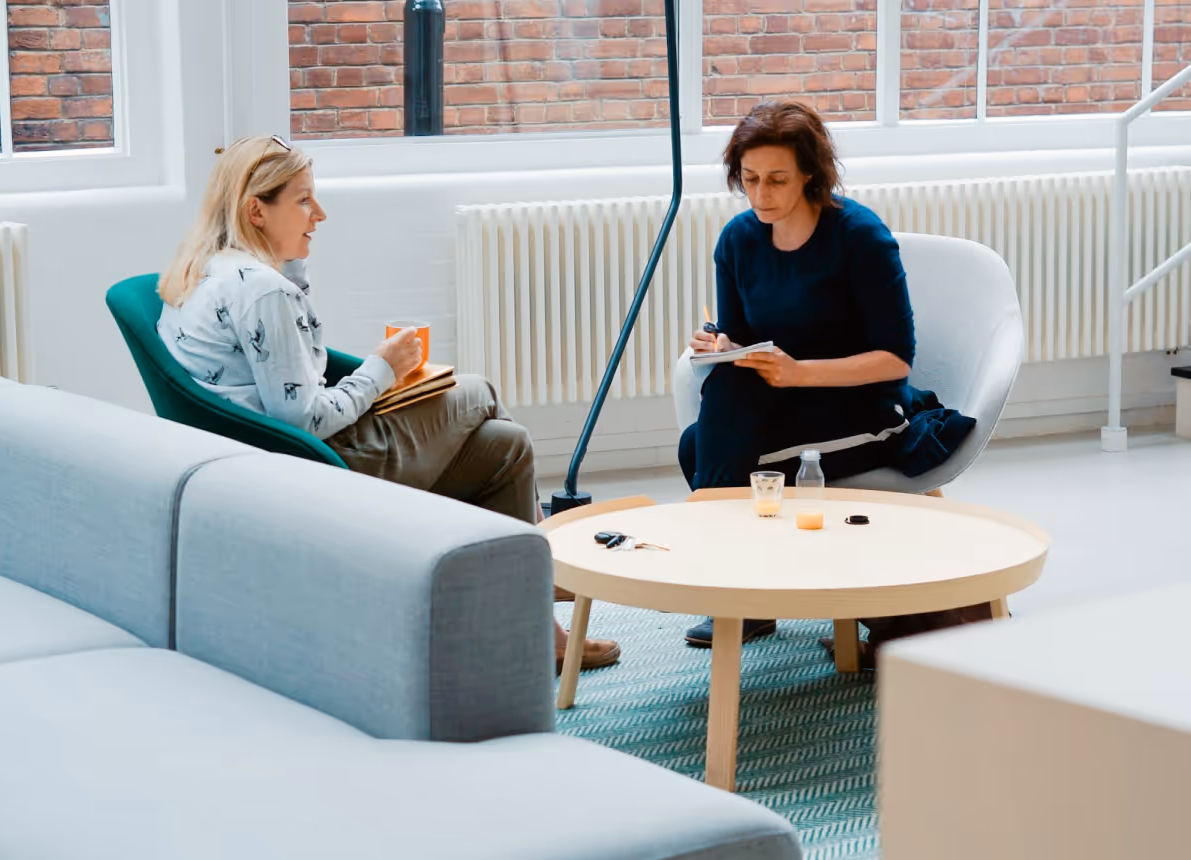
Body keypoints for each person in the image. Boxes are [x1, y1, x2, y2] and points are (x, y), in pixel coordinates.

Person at [157, 134, 619, 673]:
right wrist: (382, 369)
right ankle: (545, 569)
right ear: (256, 209)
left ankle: (536, 627)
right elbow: (301, 417)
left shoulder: (214, 270)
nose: (320, 213)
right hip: (317, 465)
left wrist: (300, 279)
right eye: (304, 199)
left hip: (269, 460)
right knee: (479, 390)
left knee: (506, 446)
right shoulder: (264, 292)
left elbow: (292, 377)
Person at [678, 102, 990, 663]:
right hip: (784, 406)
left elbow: (896, 359)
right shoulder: (738, 241)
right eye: (749, 179)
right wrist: (722, 347)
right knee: (699, 435)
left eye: (777, 179)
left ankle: (734, 581)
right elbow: (743, 338)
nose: (761, 194)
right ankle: (744, 581)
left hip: (864, 409)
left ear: (810, 175)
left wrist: (800, 373)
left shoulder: (859, 237)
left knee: (705, 446)